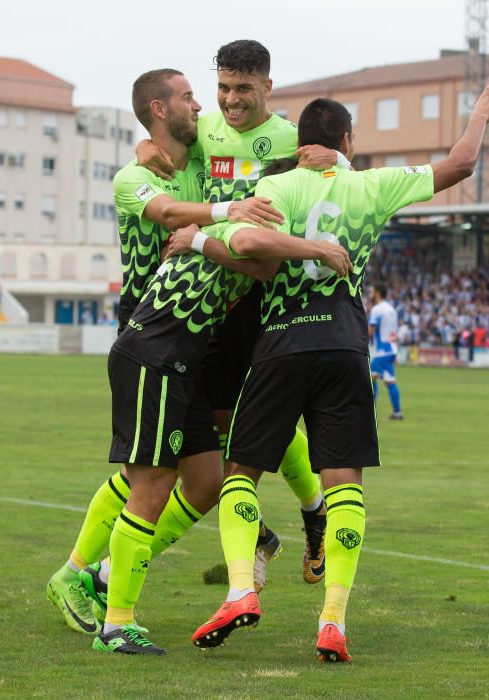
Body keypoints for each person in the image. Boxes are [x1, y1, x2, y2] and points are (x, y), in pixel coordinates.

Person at [191, 85, 489, 662]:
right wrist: (480, 114)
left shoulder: (275, 186)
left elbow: (244, 242)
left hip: (282, 345)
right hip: (344, 345)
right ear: (346, 141)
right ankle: (332, 619)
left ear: (302, 142)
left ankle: (241, 589)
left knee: (241, 472)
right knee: (345, 486)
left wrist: (207, 238)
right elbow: (460, 164)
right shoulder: (372, 183)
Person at [46, 68, 284, 639]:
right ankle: (79, 575)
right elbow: (173, 215)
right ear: (158, 109)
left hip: (195, 331)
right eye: (190, 97)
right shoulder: (135, 173)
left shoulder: (201, 156)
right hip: (151, 322)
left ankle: (108, 576)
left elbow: (241, 149)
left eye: (213, 94)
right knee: (145, 473)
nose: (206, 105)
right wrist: (230, 213)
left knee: (202, 481)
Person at [137, 40, 348, 589]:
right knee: (226, 422)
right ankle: (303, 517)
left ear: (267, 89)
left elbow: (341, 179)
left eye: (243, 90)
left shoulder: (288, 138)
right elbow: (167, 145)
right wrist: (143, 146)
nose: (230, 100)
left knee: (256, 418)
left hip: (264, 292)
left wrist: (342, 158)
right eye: (224, 88)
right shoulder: (205, 131)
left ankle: (305, 516)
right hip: (212, 297)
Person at [369, 284, 403, 420]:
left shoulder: (377, 309)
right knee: (389, 381)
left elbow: (371, 330)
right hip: (391, 349)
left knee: (369, 379)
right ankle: (397, 412)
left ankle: (369, 413)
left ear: (377, 293)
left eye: (372, 291)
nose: (370, 293)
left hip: (381, 351)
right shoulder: (391, 309)